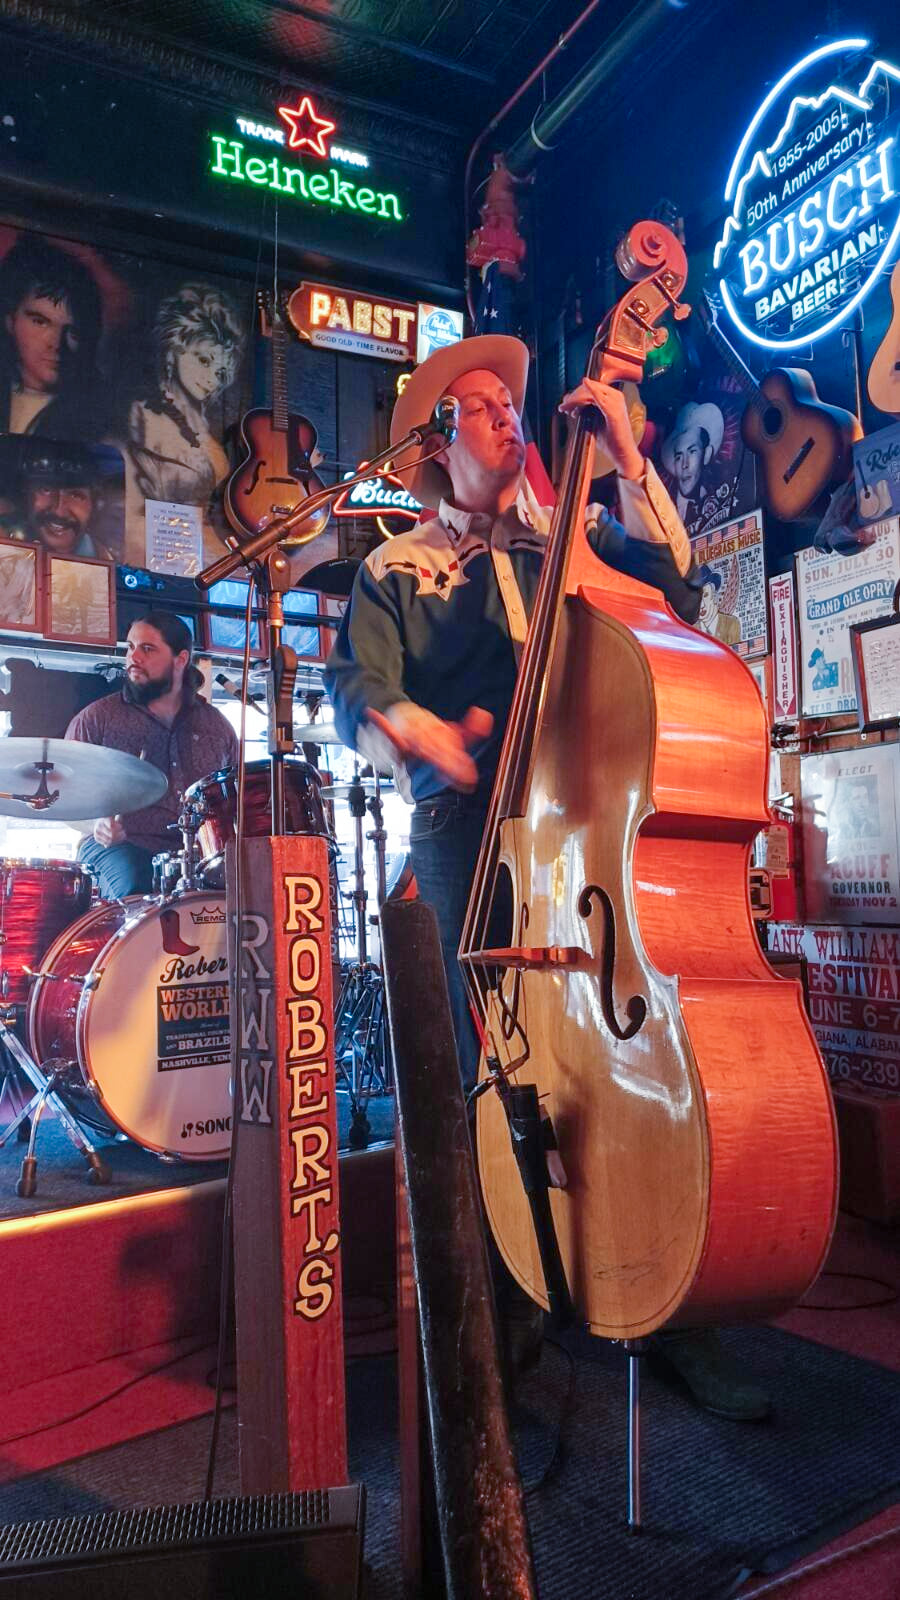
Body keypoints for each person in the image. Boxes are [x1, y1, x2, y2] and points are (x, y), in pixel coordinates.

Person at [325, 334, 771, 1420]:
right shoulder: (395, 567)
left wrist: (626, 457)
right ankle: (509, 1305)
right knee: (489, 1063)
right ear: (438, 442)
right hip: (467, 825)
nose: (506, 415)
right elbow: (355, 692)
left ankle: (669, 1301)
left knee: (632, 1058)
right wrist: (417, 728)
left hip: (582, 825)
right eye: (480, 405)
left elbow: (680, 590)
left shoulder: (569, 540)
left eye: (509, 403)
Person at [65, 611, 238, 898]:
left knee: (245, 891)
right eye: (130, 647)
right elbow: (65, 800)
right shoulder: (96, 719)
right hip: (118, 846)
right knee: (136, 882)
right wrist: (96, 824)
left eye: (147, 649)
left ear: (180, 659)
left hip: (199, 851)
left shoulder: (217, 726)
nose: (133, 657)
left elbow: (235, 801)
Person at [127, 283, 244, 507]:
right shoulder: (144, 414)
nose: (211, 379)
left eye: (219, 372)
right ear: (174, 350)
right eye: (204, 360)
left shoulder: (202, 424)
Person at [0, 232, 105, 440]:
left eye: (72, 331)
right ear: (10, 320)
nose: (56, 343)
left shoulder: (98, 421)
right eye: (40, 321)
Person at [1, 441, 115, 558]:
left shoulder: (111, 562)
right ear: (26, 494)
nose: (59, 511)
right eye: (45, 490)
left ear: (95, 505)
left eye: (75, 496)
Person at [661, 399, 725, 534]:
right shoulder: (664, 514)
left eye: (692, 452)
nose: (684, 464)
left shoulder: (716, 499)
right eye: (678, 457)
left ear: (706, 454)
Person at [696, 563, 741, 647]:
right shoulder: (691, 631)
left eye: (705, 595)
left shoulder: (731, 624)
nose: (702, 605)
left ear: (714, 596)